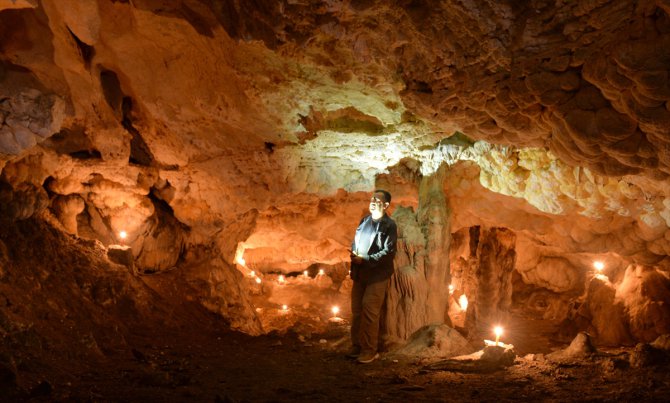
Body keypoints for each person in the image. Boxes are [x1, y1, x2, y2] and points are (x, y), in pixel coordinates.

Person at [348, 189, 397, 364]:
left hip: (377, 275)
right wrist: (354, 253)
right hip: (360, 273)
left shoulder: (389, 225)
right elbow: (355, 241)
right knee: (357, 311)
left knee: (369, 310)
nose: (372, 201)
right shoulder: (364, 221)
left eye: (377, 199)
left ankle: (370, 349)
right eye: (372, 198)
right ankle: (357, 345)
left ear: (385, 205)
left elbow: (388, 252)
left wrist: (366, 260)